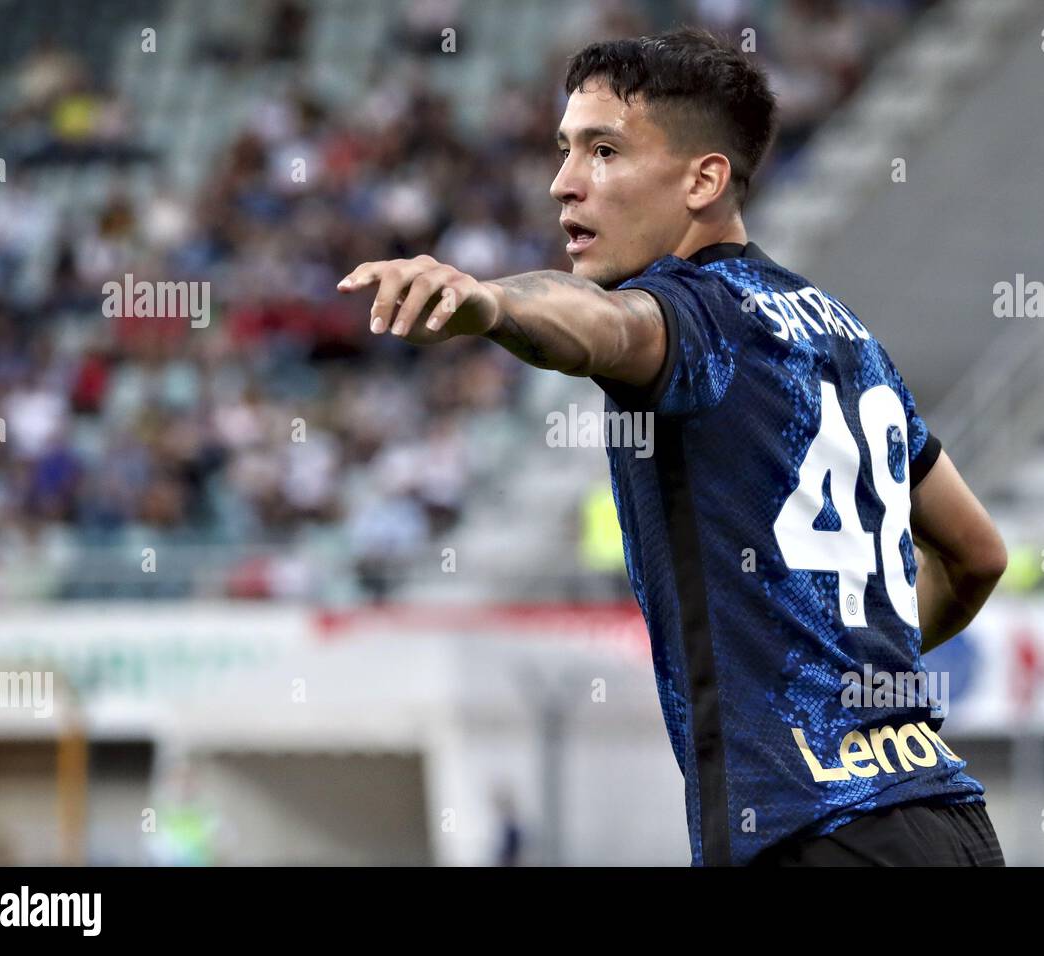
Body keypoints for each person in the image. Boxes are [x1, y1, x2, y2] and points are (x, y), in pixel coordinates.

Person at [337, 27, 1007, 867]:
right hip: (949, 825)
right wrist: (862, 688)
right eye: (564, 149)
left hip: (813, 839)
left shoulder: (697, 315)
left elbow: (602, 329)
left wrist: (490, 306)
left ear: (703, 179)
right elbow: (978, 553)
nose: (563, 183)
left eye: (604, 151)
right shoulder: (848, 338)